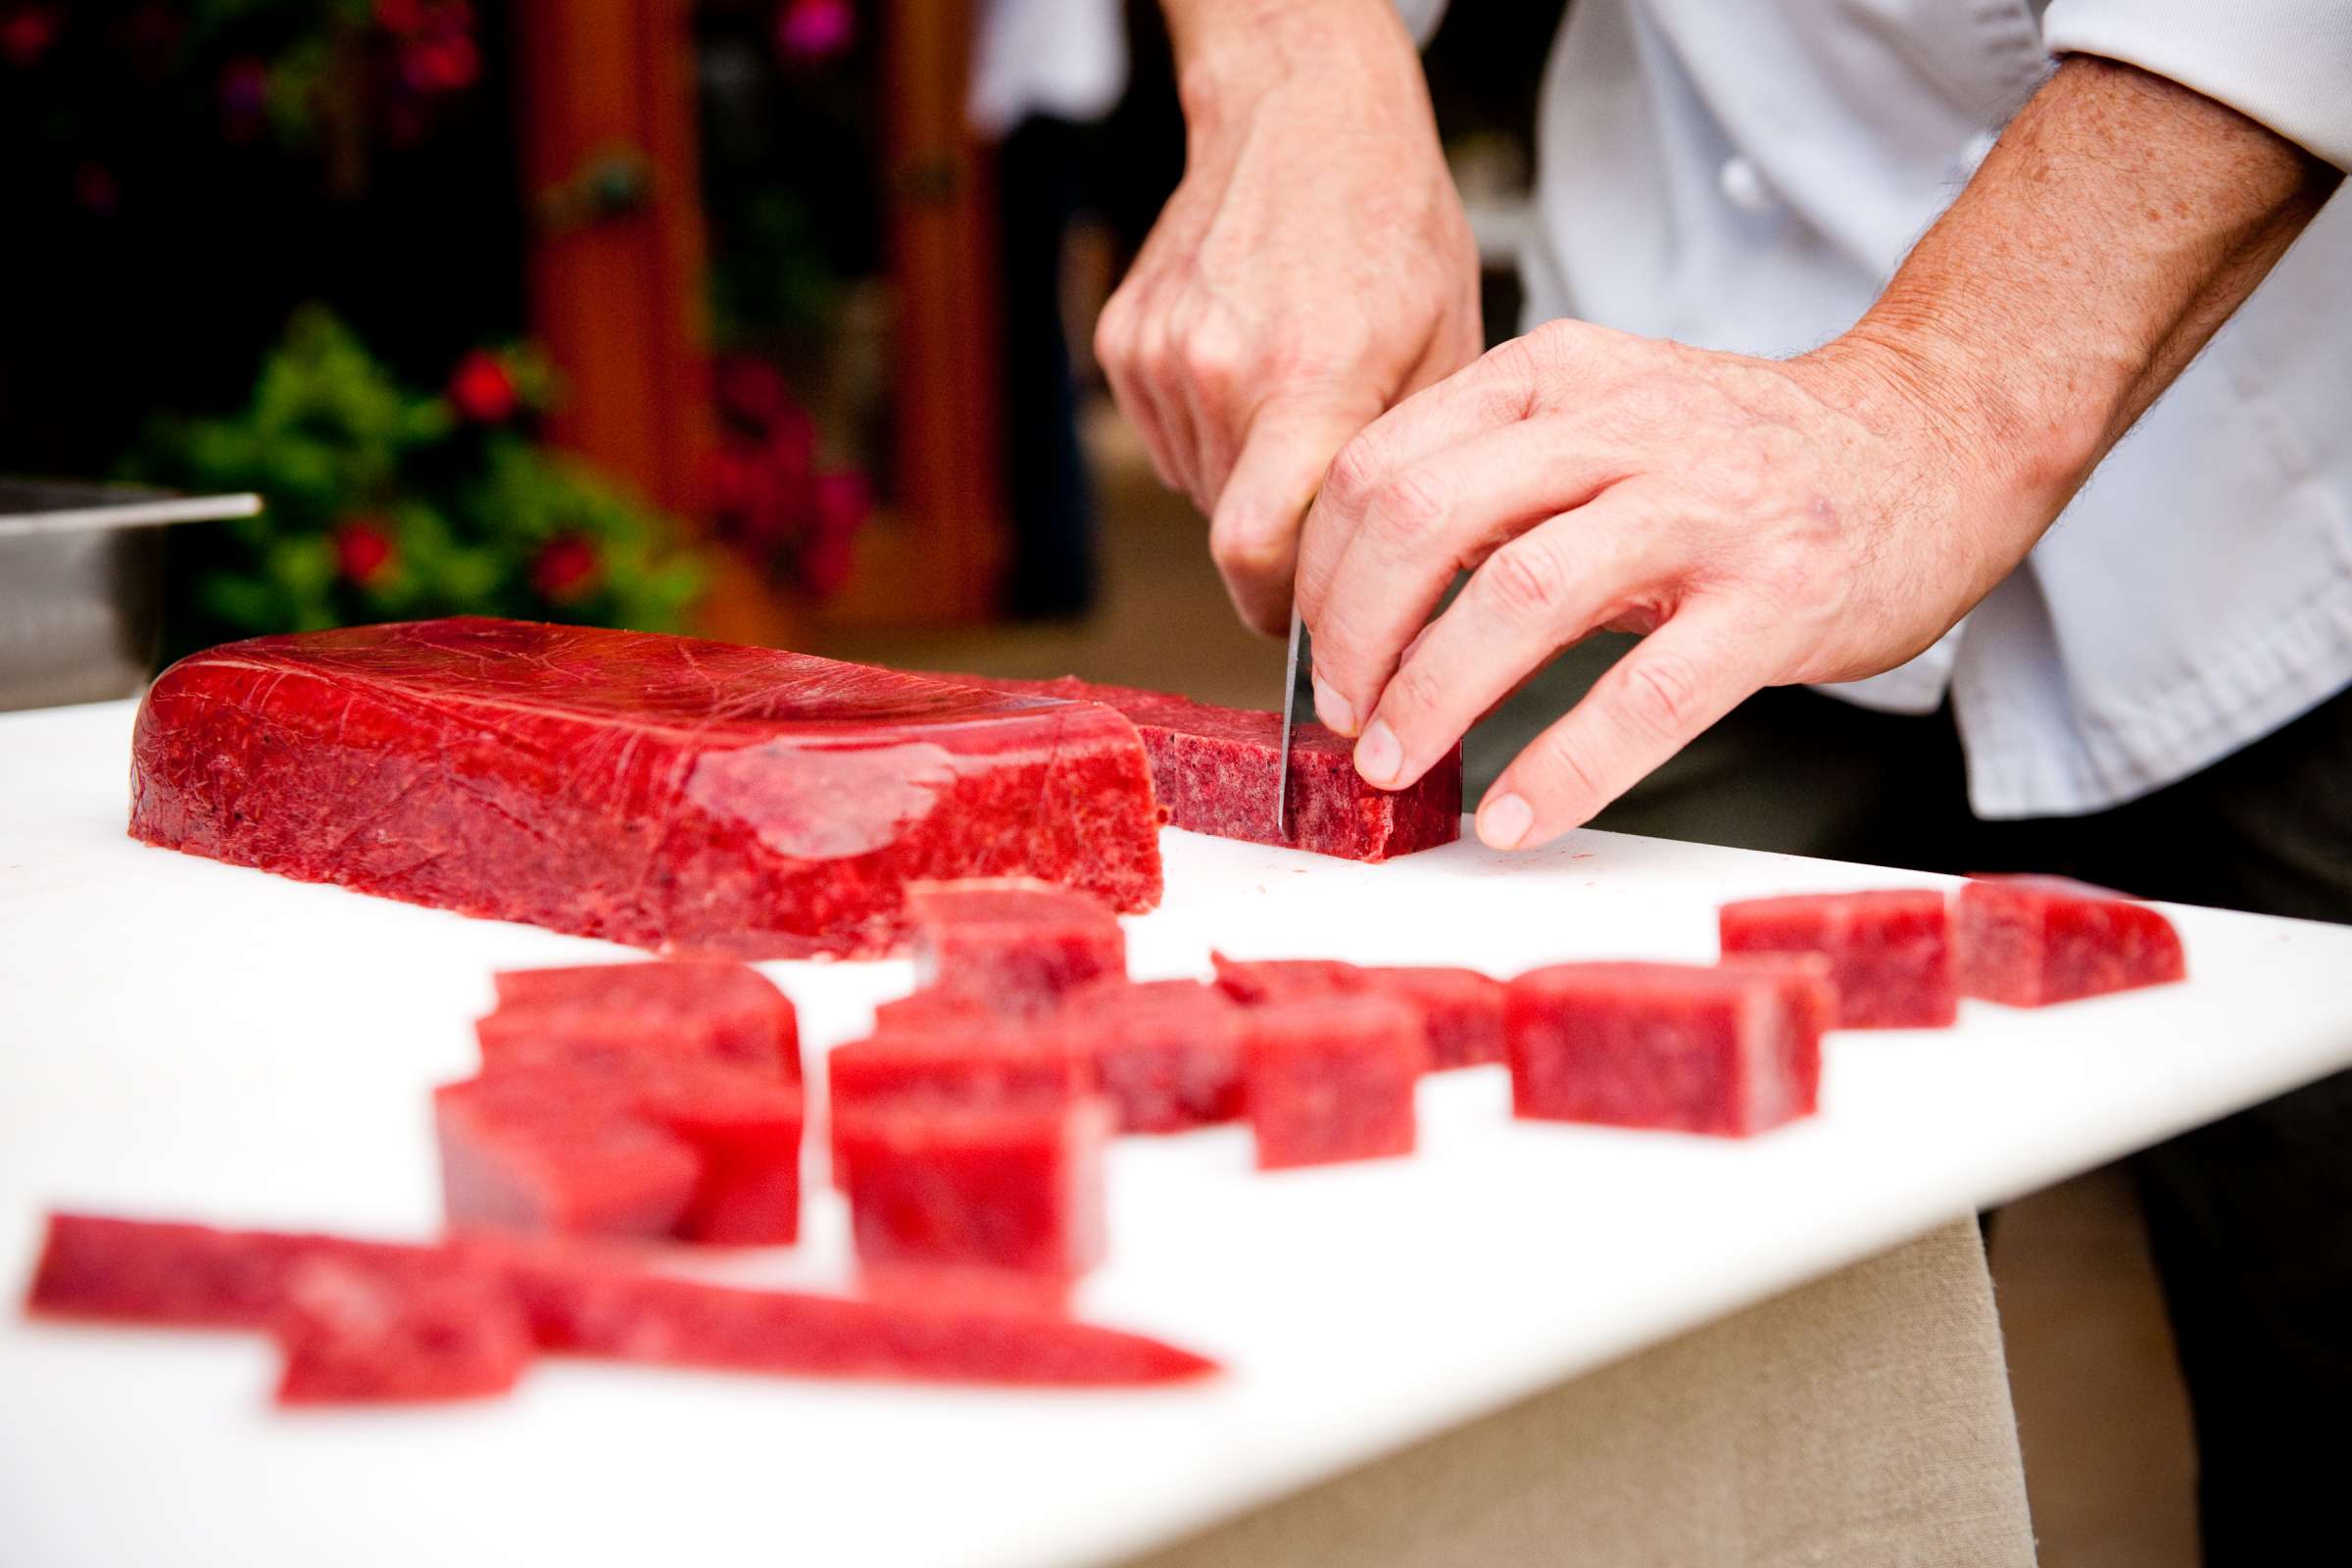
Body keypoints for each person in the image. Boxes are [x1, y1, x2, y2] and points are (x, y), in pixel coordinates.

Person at [1096, 2, 2351, 1561]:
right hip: (1659, 393)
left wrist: (1951, 392)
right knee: (1615, 1375)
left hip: (2307, 505)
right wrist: (1299, 64)